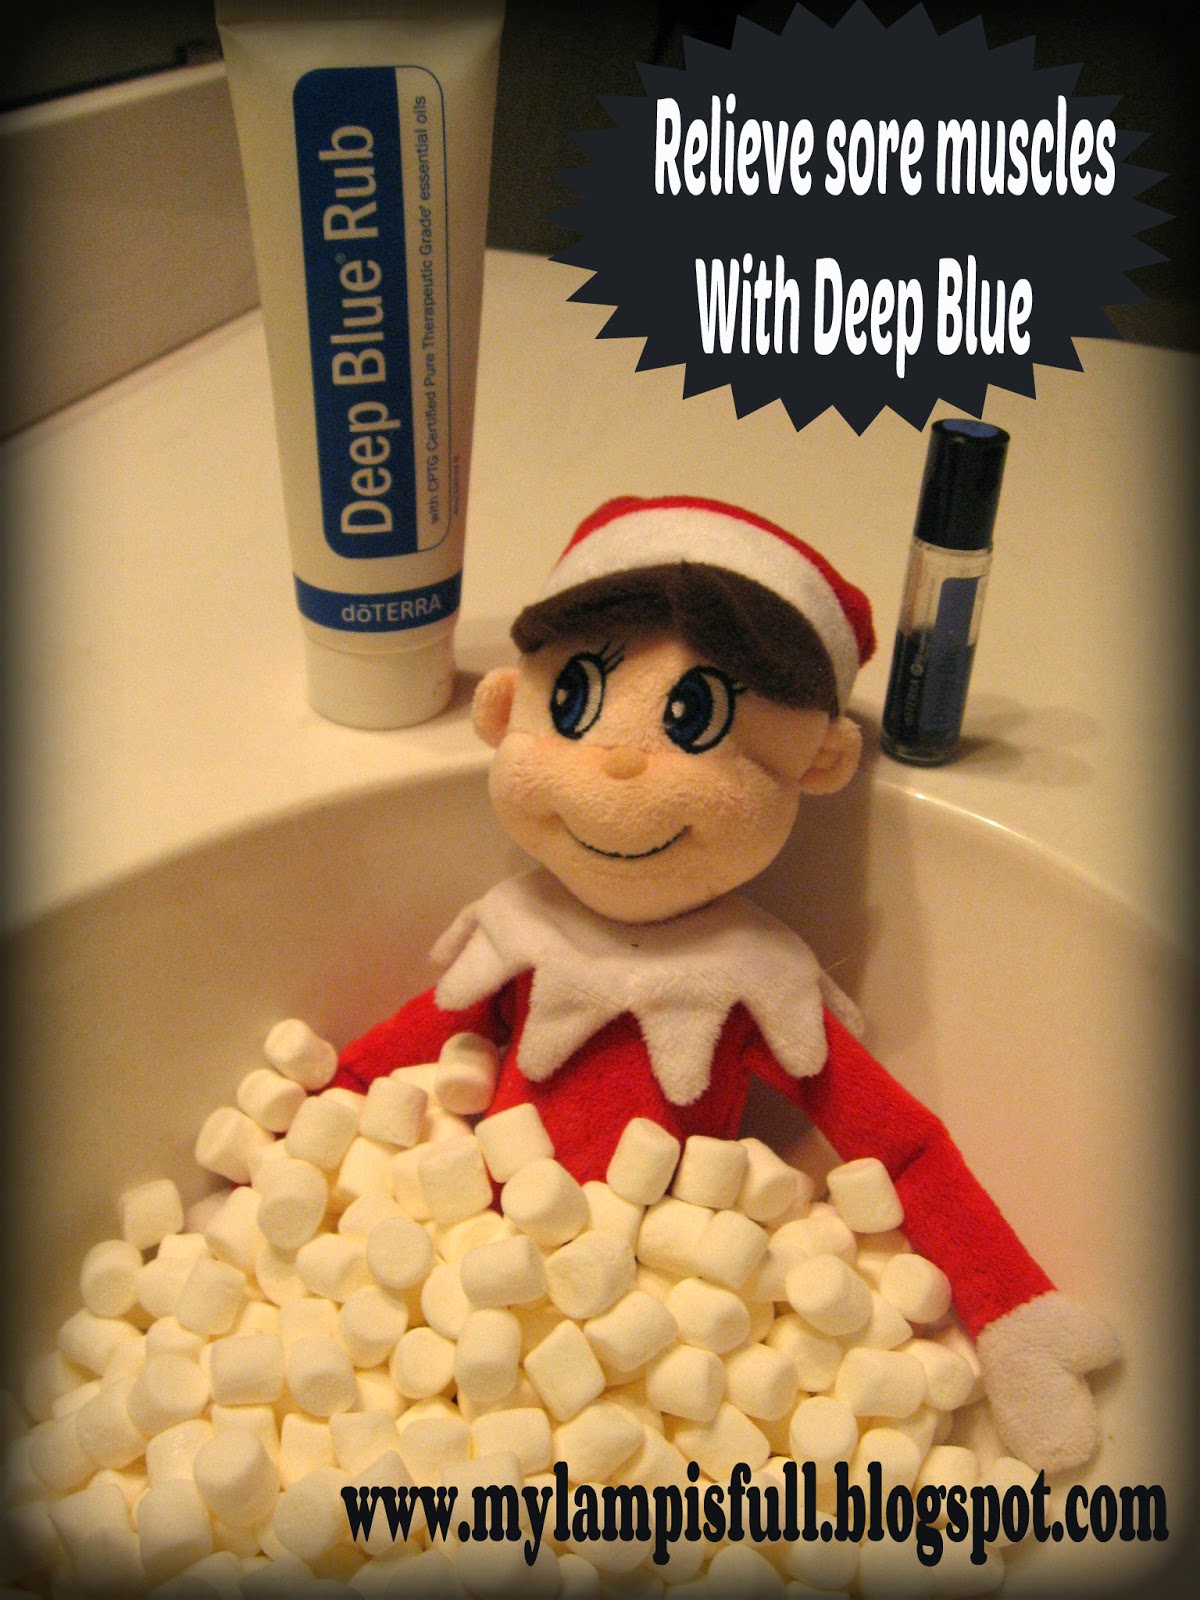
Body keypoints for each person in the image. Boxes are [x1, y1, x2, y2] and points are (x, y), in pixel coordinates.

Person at [335, 494, 1118, 1473]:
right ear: (503, 708)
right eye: (573, 702)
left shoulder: (754, 986)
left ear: (820, 762)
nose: (623, 763)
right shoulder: (516, 934)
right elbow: (390, 1055)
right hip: (461, 1274)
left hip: (677, 1320)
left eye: (693, 719)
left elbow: (900, 1145)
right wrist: (300, 1145)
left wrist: (1010, 1310)